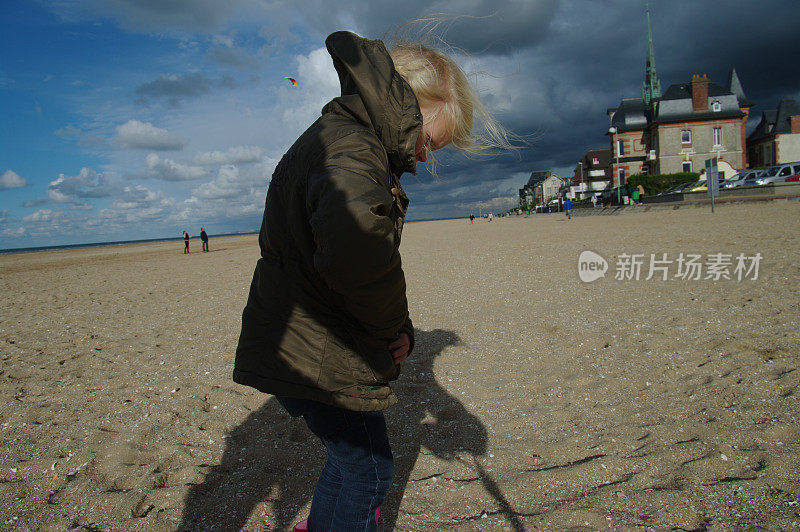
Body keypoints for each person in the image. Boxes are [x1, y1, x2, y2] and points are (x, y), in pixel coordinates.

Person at [233, 30, 513, 532]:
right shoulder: (352, 152)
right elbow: (360, 259)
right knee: (368, 467)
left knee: (351, 459)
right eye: (429, 141)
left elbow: (357, 261)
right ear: (410, 104)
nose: (426, 157)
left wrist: (395, 327)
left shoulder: (345, 138)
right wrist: (392, 331)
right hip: (314, 347)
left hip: (305, 336)